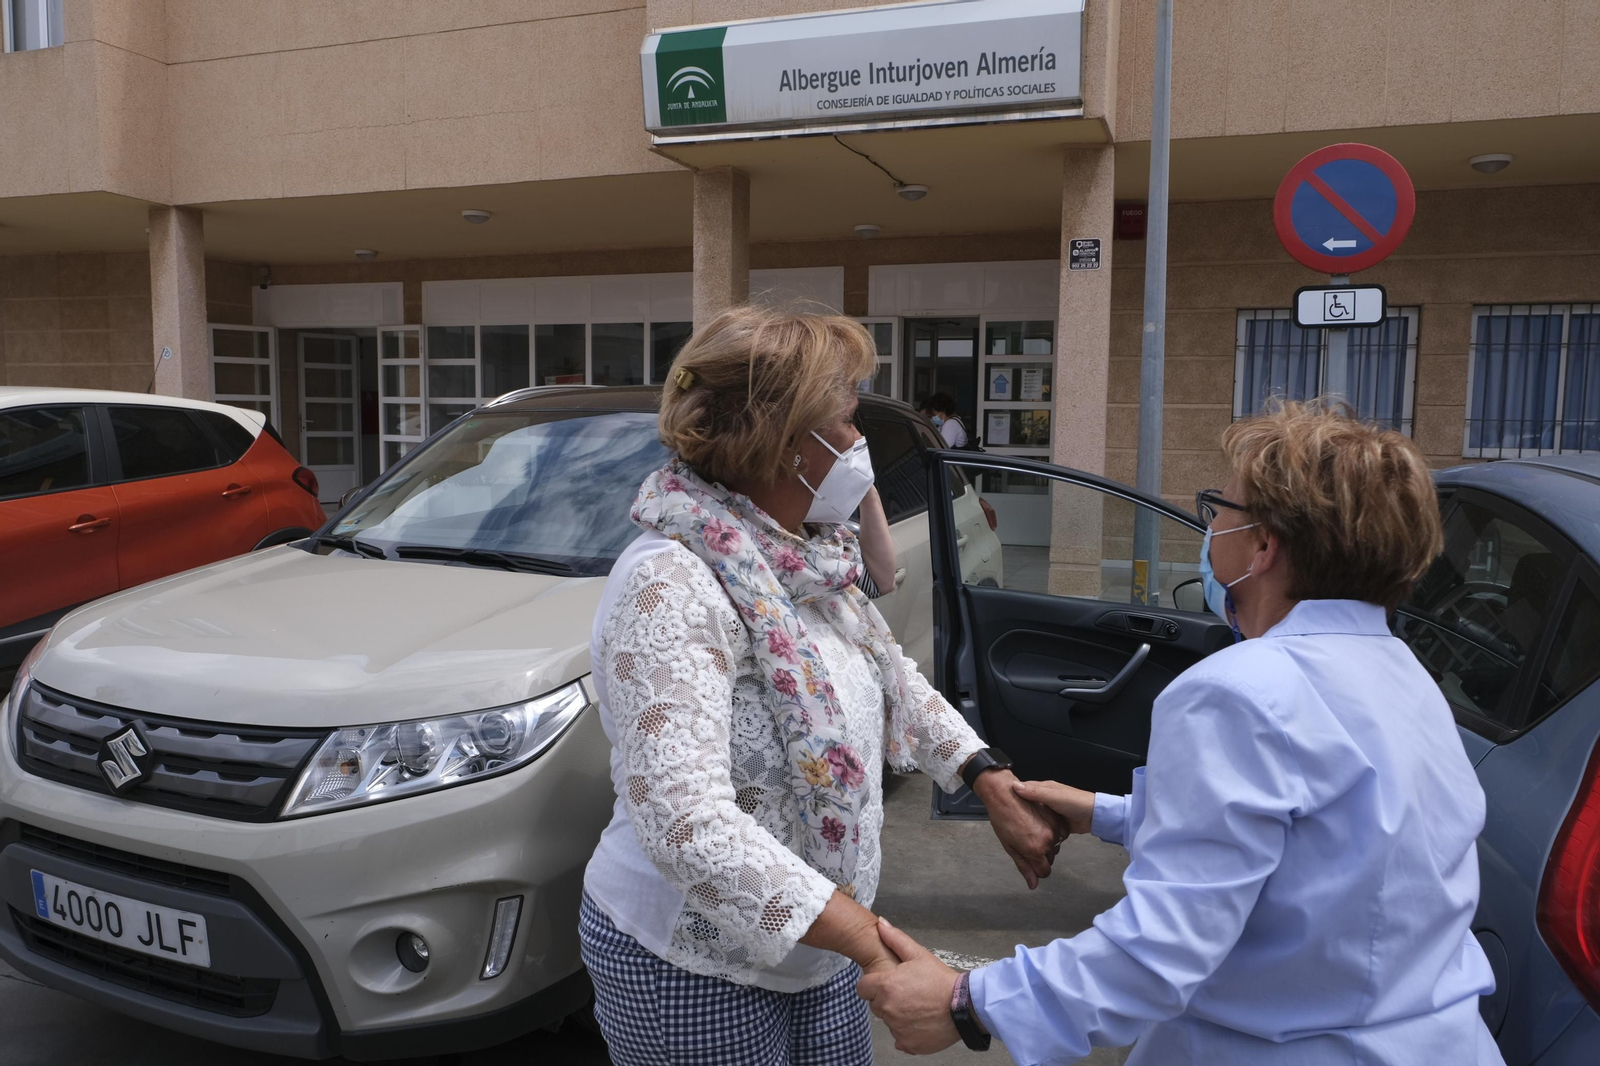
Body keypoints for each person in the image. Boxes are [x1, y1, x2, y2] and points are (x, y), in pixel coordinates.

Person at [860, 402, 1505, 1066]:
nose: (1209, 524)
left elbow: (1159, 951)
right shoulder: (1407, 676)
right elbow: (1328, 848)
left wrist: (967, 1003)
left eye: (1219, 507)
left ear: (1263, 546)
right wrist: (1109, 814)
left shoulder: (1238, 691)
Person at [579, 306, 1061, 1066]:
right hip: (696, 962)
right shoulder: (669, 584)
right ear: (780, 441)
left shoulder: (809, 557)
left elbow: (892, 674)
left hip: (824, 943)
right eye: (845, 419)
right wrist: (874, 945)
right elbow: (683, 821)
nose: (859, 440)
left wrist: (984, 774)